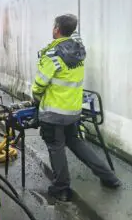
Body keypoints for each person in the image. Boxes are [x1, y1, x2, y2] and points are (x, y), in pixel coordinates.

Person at [32, 14, 121, 202]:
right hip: (73, 111)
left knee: (56, 148)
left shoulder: (52, 55)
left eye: (54, 26)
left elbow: (39, 85)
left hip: (53, 113)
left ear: (56, 29)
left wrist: (36, 100)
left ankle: (61, 188)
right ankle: (109, 177)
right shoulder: (79, 50)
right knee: (77, 143)